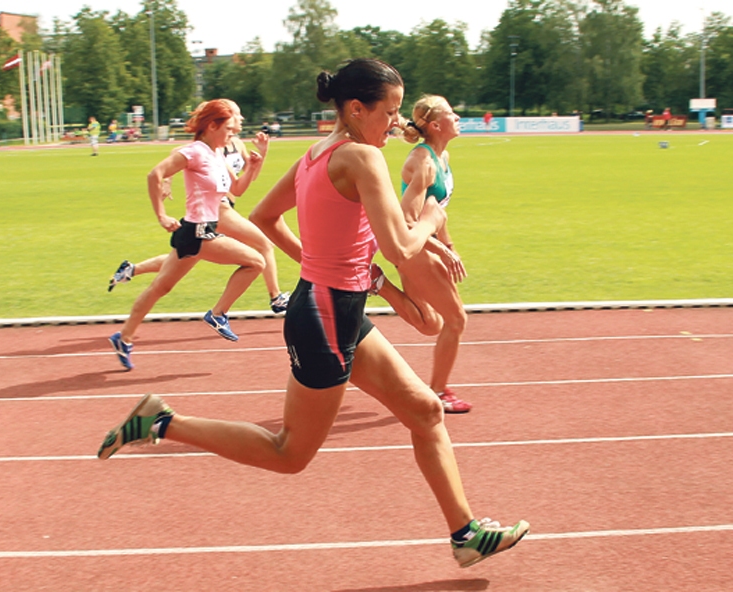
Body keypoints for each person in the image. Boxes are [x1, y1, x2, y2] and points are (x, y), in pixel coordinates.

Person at [97, 59, 529, 568]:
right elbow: (399, 246)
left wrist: (321, 265)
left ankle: (465, 534)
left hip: (332, 305)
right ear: (355, 108)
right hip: (325, 316)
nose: (397, 123)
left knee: (426, 411)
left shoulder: (316, 153)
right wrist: (433, 217)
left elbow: (263, 217)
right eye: (388, 112)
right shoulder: (362, 159)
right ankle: (162, 421)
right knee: (289, 453)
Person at [108, 99, 266, 370]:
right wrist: (161, 215)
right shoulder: (193, 152)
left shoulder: (218, 154)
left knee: (160, 287)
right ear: (212, 125)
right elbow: (154, 174)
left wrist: (253, 165)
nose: (232, 134)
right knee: (256, 261)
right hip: (198, 232)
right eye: (228, 128)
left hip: (198, 232)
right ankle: (218, 314)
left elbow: (237, 189)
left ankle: (124, 337)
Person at [107, 102, 290, 314]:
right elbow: (180, 155)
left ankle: (131, 269)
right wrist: (168, 180)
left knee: (190, 256)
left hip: (224, 205)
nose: (241, 118)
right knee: (264, 245)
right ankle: (275, 297)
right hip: (218, 209)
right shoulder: (213, 143)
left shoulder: (237, 145)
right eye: (237, 114)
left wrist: (262, 155)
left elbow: (244, 182)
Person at [369, 95, 471, 414]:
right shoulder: (424, 163)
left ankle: (378, 283)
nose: (458, 118)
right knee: (455, 320)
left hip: (420, 247)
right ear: (437, 125)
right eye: (452, 114)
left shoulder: (442, 157)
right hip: (413, 249)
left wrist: (449, 246)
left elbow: (436, 211)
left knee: (431, 324)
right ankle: (439, 392)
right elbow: (407, 220)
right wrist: (442, 250)